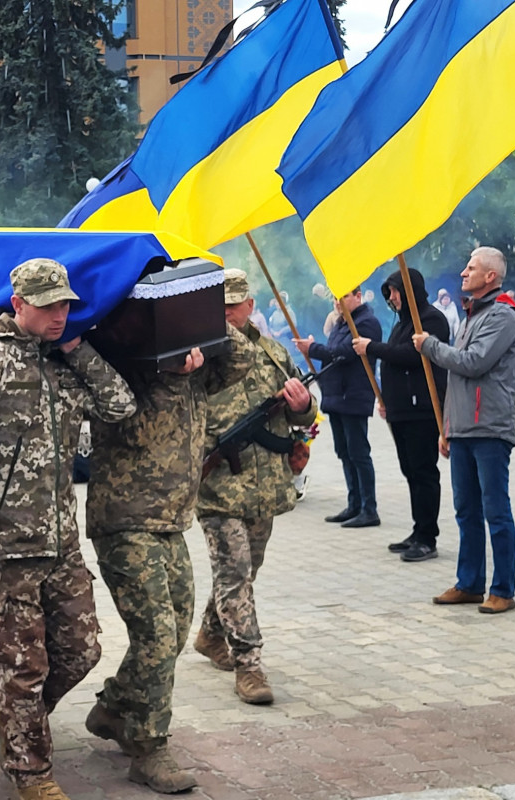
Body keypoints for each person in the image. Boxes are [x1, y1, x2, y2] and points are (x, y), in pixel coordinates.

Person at [0, 258, 137, 800]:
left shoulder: (65, 365)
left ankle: (12, 712)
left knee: (81, 651)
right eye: (47, 306)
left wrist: (78, 349)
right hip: (2, 550)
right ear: (17, 303)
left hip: (61, 544)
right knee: (26, 667)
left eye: (66, 305)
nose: (58, 315)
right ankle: (31, 773)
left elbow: (120, 406)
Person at [84, 318, 254, 794]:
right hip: (125, 520)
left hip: (172, 521)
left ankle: (115, 706)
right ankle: (148, 747)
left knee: (177, 630)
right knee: (156, 636)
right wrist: (159, 348)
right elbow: (109, 395)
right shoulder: (124, 367)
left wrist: (199, 321)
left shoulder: (199, 375)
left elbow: (242, 358)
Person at [194, 270, 316, 704]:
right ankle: (248, 666)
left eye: (236, 305)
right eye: (220, 307)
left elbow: (303, 415)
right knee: (234, 574)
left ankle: (211, 634)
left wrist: (303, 407)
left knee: (245, 573)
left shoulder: (274, 352)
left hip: (263, 489)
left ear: (250, 305)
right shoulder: (199, 356)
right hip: (219, 488)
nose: (228, 314)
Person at [413, 246, 515, 615]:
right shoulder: (472, 314)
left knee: (495, 510)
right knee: (466, 510)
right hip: (464, 428)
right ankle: (470, 583)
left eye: (472, 268)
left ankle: (503, 589)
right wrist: (447, 427)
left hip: (489, 428)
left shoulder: (503, 316)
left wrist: (430, 346)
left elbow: (473, 363)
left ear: (490, 276)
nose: (464, 272)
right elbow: (456, 381)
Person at [353, 268, 449, 562]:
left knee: (423, 472)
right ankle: (417, 530)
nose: (392, 298)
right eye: (390, 293)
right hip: (401, 410)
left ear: (409, 291)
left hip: (422, 409)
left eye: (395, 291)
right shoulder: (401, 324)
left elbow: (412, 356)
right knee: (410, 472)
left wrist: (372, 348)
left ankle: (427, 537)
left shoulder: (430, 319)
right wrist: (387, 402)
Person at [294, 287, 382, 528]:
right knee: (344, 452)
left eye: (343, 296)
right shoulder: (341, 323)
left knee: (358, 452)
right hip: (336, 396)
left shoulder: (366, 323)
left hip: (353, 395)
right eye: (335, 297)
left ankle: (369, 507)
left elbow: (342, 354)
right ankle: (354, 503)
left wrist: (312, 349)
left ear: (358, 296)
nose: (338, 301)